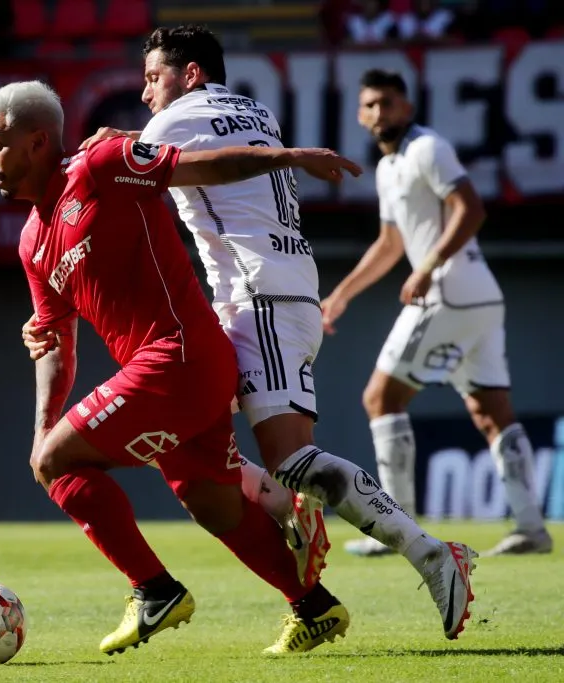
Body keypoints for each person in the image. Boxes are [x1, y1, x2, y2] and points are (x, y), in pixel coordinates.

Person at [24, 25, 477, 641]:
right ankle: (303, 540)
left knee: (290, 458)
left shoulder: (178, 117)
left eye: (154, 78)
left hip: (255, 298)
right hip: (277, 291)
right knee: (203, 458)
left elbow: (144, 159)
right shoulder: (254, 110)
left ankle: (427, 552)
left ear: (190, 77)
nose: (147, 94)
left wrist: (108, 141)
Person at [0, 80, 362, 655]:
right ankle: (313, 606)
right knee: (211, 503)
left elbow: (199, 165)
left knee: (60, 462)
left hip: (178, 355)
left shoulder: (100, 165)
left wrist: (287, 157)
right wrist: (41, 429)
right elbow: (55, 339)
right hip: (172, 376)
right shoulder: (33, 241)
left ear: (37, 142)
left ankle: (153, 590)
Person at [322, 69, 553, 557]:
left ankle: (398, 530)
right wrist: (342, 294)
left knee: (380, 399)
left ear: (407, 107)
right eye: (371, 104)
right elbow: (390, 245)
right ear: (361, 115)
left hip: (448, 294)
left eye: (388, 102)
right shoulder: (389, 167)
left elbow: (471, 209)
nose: (380, 112)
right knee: (492, 413)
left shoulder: (428, 148)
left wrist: (427, 266)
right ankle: (532, 528)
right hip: (480, 298)